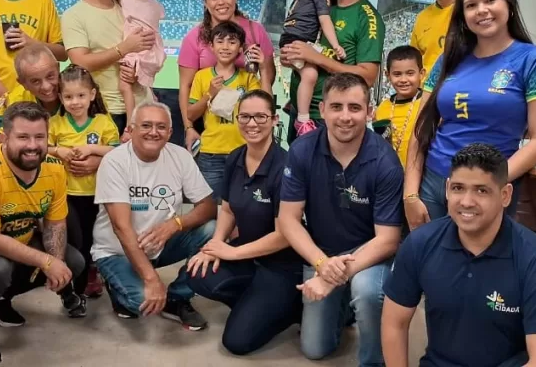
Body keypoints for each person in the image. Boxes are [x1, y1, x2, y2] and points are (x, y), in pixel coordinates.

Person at [382, 143, 536, 367]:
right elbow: (394, 324)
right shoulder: (420, 244)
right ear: (447, 189)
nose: (466, 202)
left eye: (481, 190)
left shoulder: (535, 259)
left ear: (505, 195)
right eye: (458, 188)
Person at [404, 0, 536, 229]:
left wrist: (490, 182)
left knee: (479, 267)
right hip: (434, 181)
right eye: (471, 5)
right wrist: (410, 194)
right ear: (463, 16)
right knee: (429, 264)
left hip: (491, 187)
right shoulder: (448, 60)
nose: (481, 10)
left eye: (490, 0)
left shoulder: (534, 61)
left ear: (508, 5)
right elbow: (422, 129)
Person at [278, 73, 403, 363]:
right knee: (315, 349)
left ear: (369, 112)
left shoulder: (385, 162)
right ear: (322, 109)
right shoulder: (302, 150)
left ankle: (373, 360)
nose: (345, 117)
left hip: (369, 254)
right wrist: (322, 265)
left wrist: (336, 277)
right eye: (336, 107)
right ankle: (344, 305)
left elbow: (388, 239)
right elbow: (288, 220)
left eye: (355, 108)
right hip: (323, 253)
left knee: (368, 292)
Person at [0, 102, 86, 363]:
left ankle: (2, 298)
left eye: (39, 137)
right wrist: (46, 261)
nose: (32, 145)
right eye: (23, 137)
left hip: (22, 241)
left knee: (73, 262)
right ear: (5, 138)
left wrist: (56, 263)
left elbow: (55, 224)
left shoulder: (54, 168)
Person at [187, 90, 303, 355]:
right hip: (248, 255)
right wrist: (216, 242)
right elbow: (226, 209)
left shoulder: (286, 167)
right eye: (246, 117)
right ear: (237, 119)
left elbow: (285, 234)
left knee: (237, 343)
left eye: (261, 116)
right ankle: (254, 303)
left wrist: (232, 251)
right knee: (196, 272)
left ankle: (292, 306)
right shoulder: (235, 158)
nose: (252, 124)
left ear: (274, 120)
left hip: (283, 264)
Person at [91, 100, 217, 330]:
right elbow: (121, 228)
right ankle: (117, 281)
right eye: (146, 125)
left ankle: (177, 297)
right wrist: (152, 280)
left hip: (160, 244)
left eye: (161, 127)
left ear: (170, 132)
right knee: (141, 303)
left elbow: (208, 206)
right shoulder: (114, 162)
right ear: (131, 129)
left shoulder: (180, 156)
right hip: (117, 251)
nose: (153, 132)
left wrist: (176, 224)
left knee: (214, 230)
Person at [280, 0, 386, 144]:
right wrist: (289, 57)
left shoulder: (368, 18)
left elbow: (368, 76)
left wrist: (316, 58)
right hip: (299, 112)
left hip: (327, 119)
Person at [62, 0, 155, 135]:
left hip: (144, 105)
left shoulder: (128, 5)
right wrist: (123, 49)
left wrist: (139, 71)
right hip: (107, 111)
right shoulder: (73, 16)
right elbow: (80, 62)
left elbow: (148, 46)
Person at [178, 0, 276, 152]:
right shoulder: (194, 38)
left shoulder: (255, 31)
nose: (221, 2)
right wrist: (188, 127)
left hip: (248, 131)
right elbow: (185, 86)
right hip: (210, 130)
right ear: (206, 3)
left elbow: (269, 77)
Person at [48, 64, 120, 300]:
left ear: (92, 95)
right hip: (66, 194)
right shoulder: (56, 124)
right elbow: (43, 149)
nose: (75, 102)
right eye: (68, 96)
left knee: (93, 238)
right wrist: (59, 151)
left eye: (80, 95)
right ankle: (72, 287)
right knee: (75, 240)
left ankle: (91, 276)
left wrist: (92, 148)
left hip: (96, 194)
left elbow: (117, 151)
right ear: (60, 97)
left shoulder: (103, 123)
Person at [188, 21, 272, 201]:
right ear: (211, 46)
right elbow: (191, 114)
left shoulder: (247, 78)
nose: (225, 47)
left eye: (232, 42)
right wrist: (209, 94)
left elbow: (266, 105)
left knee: (241, 206)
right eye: (220, 41)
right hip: (211, 154)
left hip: (242, 151)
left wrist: (263, 69)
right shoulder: (201, 77)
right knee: (209, 207)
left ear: (241, 48)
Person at [280, 0, 345, 136]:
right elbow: (325, 21)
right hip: (297, 40)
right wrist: (336, 45)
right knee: (310, 74)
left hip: (293, 37)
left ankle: (295, 102)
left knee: (314, 60)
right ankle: (302, 119)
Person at [118, 0, 167, 141]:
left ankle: (130, 127)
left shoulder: (126, 2)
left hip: (136, 50)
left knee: (125, 86)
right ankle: (151, 97)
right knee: (142, 84)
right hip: (152, 50)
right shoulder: (156, 6)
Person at [372, 46, 425, 167]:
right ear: (387, 75)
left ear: (421, 74)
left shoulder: (428, 104)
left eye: (410, 73)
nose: (403, 79)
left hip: (422, 172)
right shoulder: (383, 108)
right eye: (397, 74)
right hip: (390, 172)